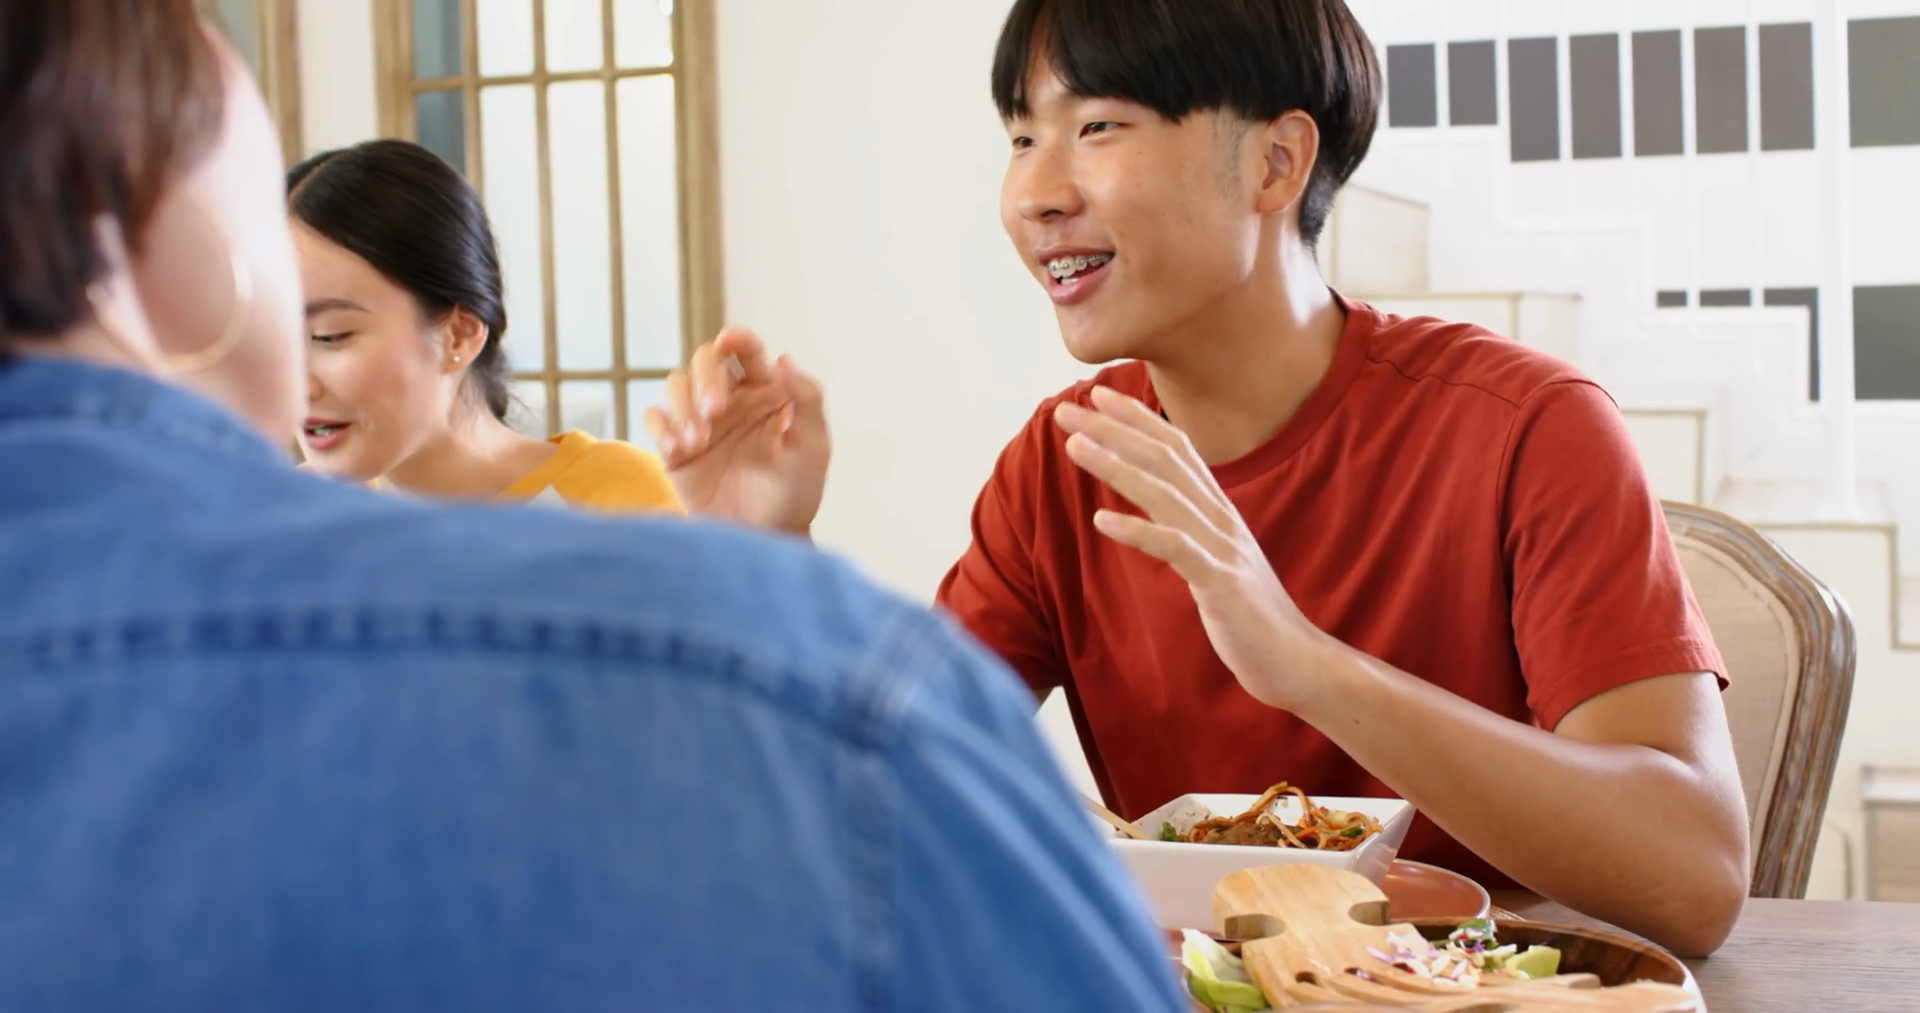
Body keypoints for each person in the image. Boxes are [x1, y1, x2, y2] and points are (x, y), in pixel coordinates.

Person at [0, 2, 1183, 1009]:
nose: (1040, 192)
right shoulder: (799, 670)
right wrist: (754, 597)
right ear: (182, 263)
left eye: (335, 328)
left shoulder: (635, 521)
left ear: (459, 335)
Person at [658, 0, 1751, 956]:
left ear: (1275, 163)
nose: (1035, 192)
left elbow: (1694, 877)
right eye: (1022, 136)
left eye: (1097, 127)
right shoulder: (1065, 463)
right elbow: (873, 801)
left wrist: (1306, 666)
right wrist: (759, 561)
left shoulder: (1526, 428)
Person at [288, 139, 826, 529]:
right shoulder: (298, 526)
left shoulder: (614, 502)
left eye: (330, 335)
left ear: (459, 336)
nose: (294, 383)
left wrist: (769, 541)